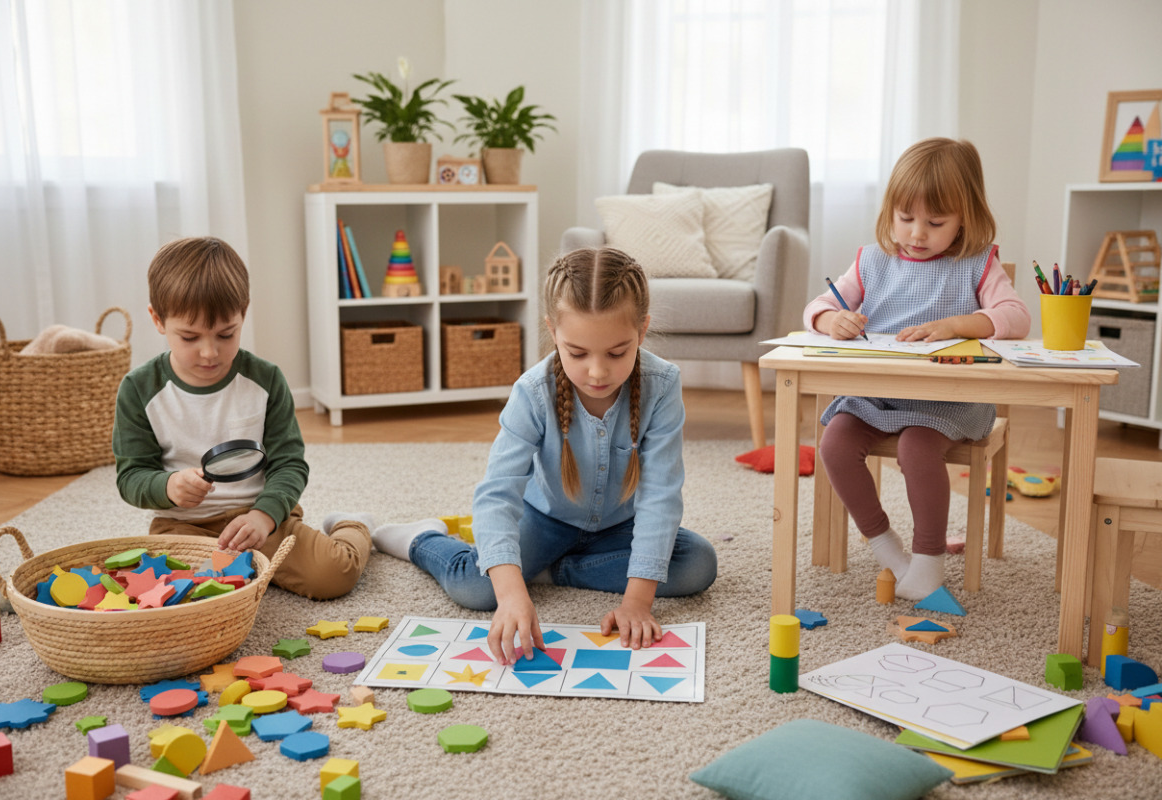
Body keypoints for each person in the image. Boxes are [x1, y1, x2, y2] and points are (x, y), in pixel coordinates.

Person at [368, 247, 717, 664]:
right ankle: (421, 538)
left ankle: (553, 570)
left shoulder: (663, 385)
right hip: (544, 520)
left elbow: (661, 495)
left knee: (698, 563)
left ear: (643, 330)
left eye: (616, 353)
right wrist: (512, 593)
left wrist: (638, 603)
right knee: (477, 589)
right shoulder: (532, 391)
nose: (597, 372)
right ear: (553, 332)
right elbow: (496, 495)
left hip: (621, 525)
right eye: (578, 353)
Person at [804, 137, 1030, 601]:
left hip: (947, 400)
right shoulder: (872, 261)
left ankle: (928, 559)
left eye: (935, 222)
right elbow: (818, 305)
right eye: (905, 218)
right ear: (890, 211)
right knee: (835, 443)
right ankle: (887, 548)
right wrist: (832, 319)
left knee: (917, 448)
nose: (917, 234)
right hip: (877, 394)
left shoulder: (977, 263)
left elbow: (1017, 317)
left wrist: (956, 324)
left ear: (965, 217)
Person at [113, 236, 372, 600]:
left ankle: (354, 527)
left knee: (333, 576)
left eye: (226, 334)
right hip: (183, 527)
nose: (209, 352)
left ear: (243, 314)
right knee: (169, 595)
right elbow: (131, 477)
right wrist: (168, 486)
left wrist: (264, 516)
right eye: (189, 337)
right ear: (157, 320)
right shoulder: (139, 389)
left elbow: (290, 464)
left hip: (260, 517)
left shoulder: (265, 380)